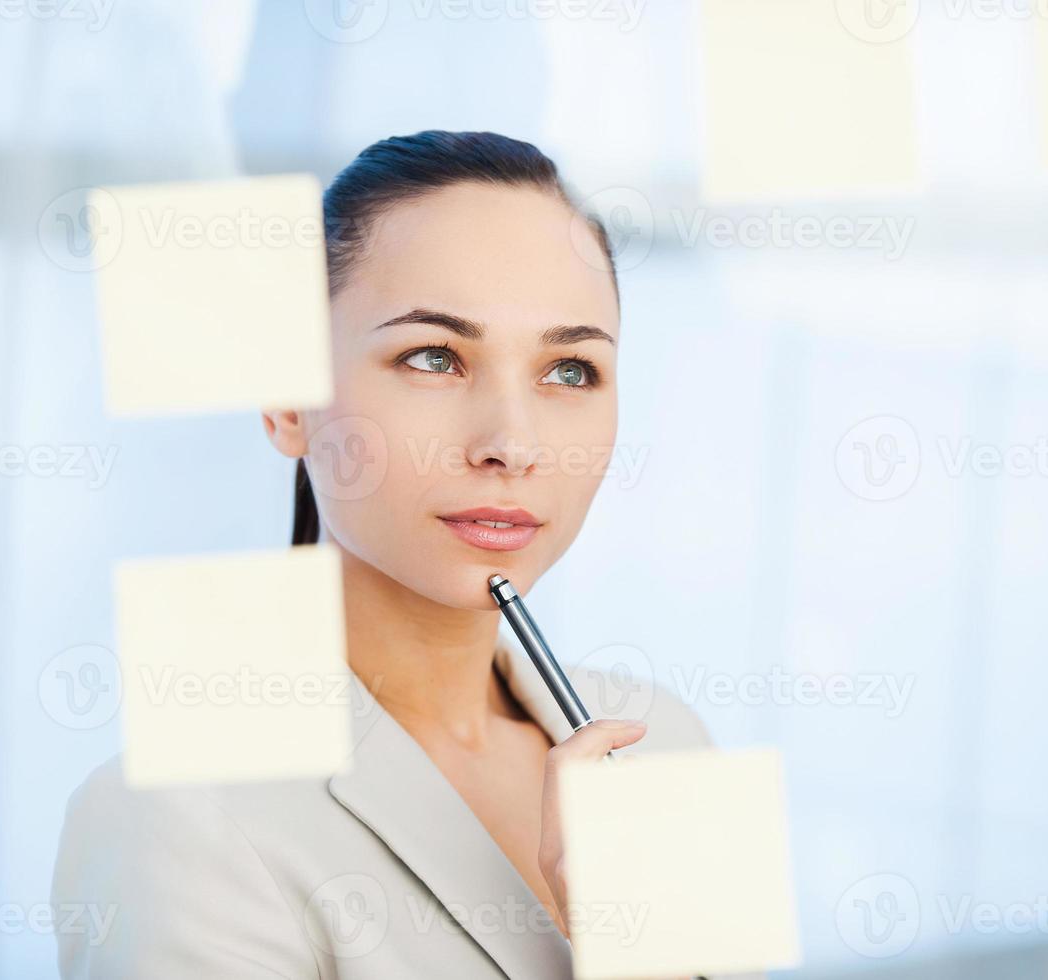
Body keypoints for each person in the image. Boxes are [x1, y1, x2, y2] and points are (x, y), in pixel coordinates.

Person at [51, 130, 742, 979]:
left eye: (569, 370)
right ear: (289, 400)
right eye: (434, 357)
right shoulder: (173, 820)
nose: (511, 444)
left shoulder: (667, 745)